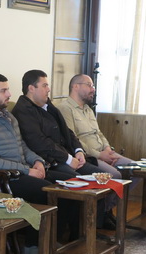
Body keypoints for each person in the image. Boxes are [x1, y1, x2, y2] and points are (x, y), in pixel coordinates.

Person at [0, 72, 78, 254]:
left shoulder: (9, 117)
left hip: (21, 172)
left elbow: (23, 146)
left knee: (68, 184)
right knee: (45, 191)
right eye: (3, 91)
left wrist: (37, 161)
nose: (9, 94)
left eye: (8, 89)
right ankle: (33, 247)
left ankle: (52, 241)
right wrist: (27, 170)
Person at [12, 70, 115, 229]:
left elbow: (68, 131)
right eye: (44, 85)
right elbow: (39, 142)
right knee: (78, 183)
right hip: (51, 160)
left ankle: (94, 227)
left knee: (101, 178)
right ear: (31, 88)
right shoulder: (23, 110)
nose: (48, 89)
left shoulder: (47, 105)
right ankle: (77, 232)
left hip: (69, 156)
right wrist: (68, 158)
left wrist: (78, 150)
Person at [57, 74, 136, 179]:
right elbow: (73, 139)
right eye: (89, 85)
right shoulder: (65, 109)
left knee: (136, 168)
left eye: (93, 86)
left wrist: (107, 149)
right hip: (89, 156)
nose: (93, 89)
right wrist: (99, 155)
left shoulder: (88, 109)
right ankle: (116, 190)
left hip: (104, 152)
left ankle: (122, 190)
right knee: (115, 175)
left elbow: (99, 133)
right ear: (76, 86)